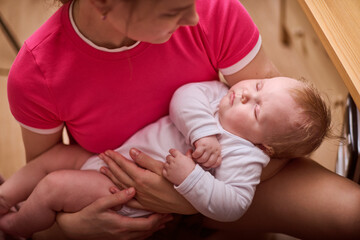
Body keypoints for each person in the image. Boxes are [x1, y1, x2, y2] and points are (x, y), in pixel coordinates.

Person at [5, 0, 360, 239]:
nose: (193, 17)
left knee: (350, 212)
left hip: (226, 186)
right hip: (116, 187)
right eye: (174, 10)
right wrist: (74, 228)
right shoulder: (39, 72)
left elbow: (280, 141)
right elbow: (41, 180)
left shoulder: (213, 9)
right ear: (102, 3)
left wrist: (186, 197)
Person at [0, 77, 331, 237]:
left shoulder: (245, 157)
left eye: (256, 109)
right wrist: (202, 132)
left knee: (53, 186)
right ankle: (6, 196)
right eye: (259, 86)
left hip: (123, 192)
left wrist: (191, 177)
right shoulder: (220, 97)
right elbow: (183, 98)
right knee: (54, 159)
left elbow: (233, 206)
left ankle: (14, 227)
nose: (245, 93)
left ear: (265, 147)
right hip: (114, 156)